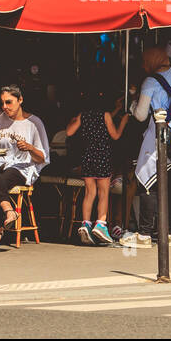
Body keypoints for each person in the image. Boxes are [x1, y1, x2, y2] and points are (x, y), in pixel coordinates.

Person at [123, 46, 171, 249]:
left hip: (157, 134)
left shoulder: (150, 81)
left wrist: (131, 106)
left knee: (147, 181)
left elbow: (140, 114)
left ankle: (145, 233)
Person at [0, 85, 50, 249]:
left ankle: (2, 221)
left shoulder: (33, 123)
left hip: (22, 167)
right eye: (2, 102)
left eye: (9, 102)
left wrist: (30, 147)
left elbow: (43, 158)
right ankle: (4, 219)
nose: (4, 107)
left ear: (20, 100)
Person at [66, 88, 130, 245]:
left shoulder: (83, 116)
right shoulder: (105, 115)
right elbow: (115, 135)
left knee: (89, 193)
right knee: (103, 193)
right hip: (102, 157)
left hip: (87, 157)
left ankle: (85, 223)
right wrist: (122, 123)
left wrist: (73, 120)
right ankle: (100, 224)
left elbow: (69, 132)